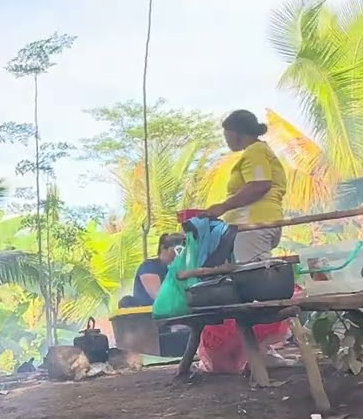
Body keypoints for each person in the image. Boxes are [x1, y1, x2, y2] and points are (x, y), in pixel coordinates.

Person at [203, 109, 288, 262]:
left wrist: (224, 206)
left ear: (236, 133)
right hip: (260, 221)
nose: (226, 140)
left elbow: (260, 185)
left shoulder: (255, 151)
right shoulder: (260, 150)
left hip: (253, 223)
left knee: (254, 275)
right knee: (249, 272)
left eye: (226, 135)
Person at [122, 233, 185, 308]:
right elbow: (158, 296)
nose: (179, 254)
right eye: (177, 250)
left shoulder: (176, 268)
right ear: (163, 248)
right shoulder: (149, 266)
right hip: (148, 313)